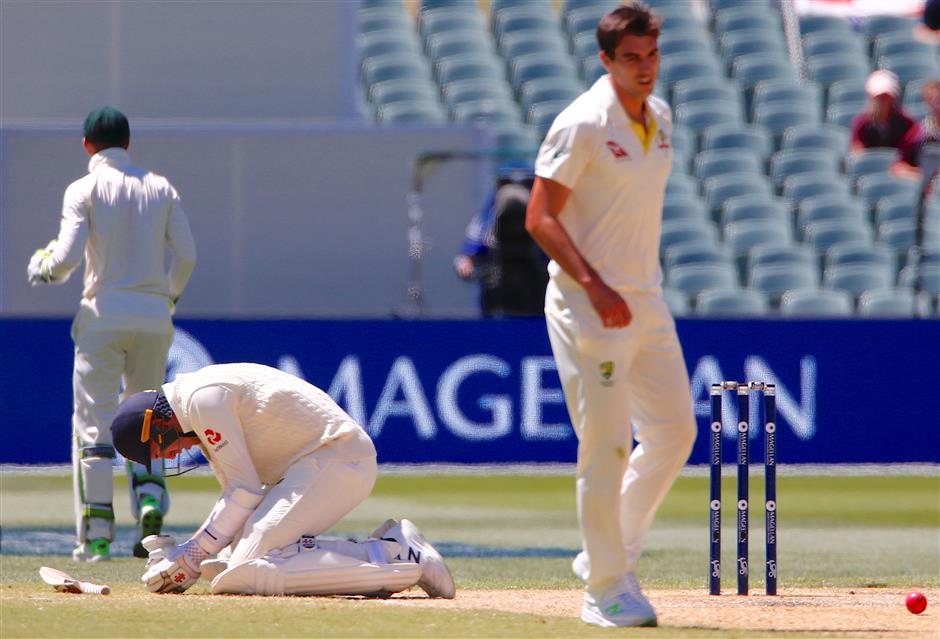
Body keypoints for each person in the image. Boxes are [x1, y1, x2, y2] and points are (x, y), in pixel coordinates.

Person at [524, 2, 695, 628]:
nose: (646, 68)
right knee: (608, 446)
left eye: (652, 55)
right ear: (606, 60)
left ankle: (607, 553)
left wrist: (624, 288)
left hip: (644, 300)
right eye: (632, 58)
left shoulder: (660, 116)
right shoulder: (584, 122)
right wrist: (594, 286)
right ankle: (605, 588)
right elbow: (539, 217)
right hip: (586, 304)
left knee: (676, 432)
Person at [108, 362, 456, 598]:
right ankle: (392, 547)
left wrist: (190, 554)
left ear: (157, 422)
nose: (167, 456)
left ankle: (403, 559)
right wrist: (194, 559)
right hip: (314, 467)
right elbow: (240, 498)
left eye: (157, 448)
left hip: (337, 458)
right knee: (232, 564)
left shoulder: (202, 399)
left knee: (244, 569)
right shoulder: (196, 412)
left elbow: (243, 492)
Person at [26, 107, 197, 562]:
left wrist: (41, 266)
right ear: (129, 143)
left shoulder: (83, 188)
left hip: (103, 316)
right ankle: (149, 505)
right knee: (148, 420)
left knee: (93, 426)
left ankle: (96, 536)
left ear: (86, 145)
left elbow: (64, 260)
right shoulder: (160, 187)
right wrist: (168, 298)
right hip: (153, 318)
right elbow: (187, 256)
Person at [454, 160, 548, 317]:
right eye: (506, 183)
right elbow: (467, 254)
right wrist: (466, 262)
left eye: (526, 183)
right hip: (497, 284)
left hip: (535, 286)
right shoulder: (488, 215)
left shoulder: (547, 216)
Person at [850, 70, 922, 171]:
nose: (882, 101)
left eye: (886, 97)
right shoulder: (862, 123)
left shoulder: (907, 123)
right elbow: (858, 154)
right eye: (878, 97)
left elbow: (910, 156)